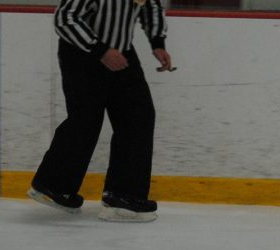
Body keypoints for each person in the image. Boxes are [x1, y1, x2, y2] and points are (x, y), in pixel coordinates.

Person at [27, 0, 173, 223]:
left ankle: (123, 196)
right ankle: (53, 185)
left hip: (121, 50)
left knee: (138, 117)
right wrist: (101, 49)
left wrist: (157, 42)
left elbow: (150, 7)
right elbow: (65, 18)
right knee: (85, 118)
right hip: (82, 53)